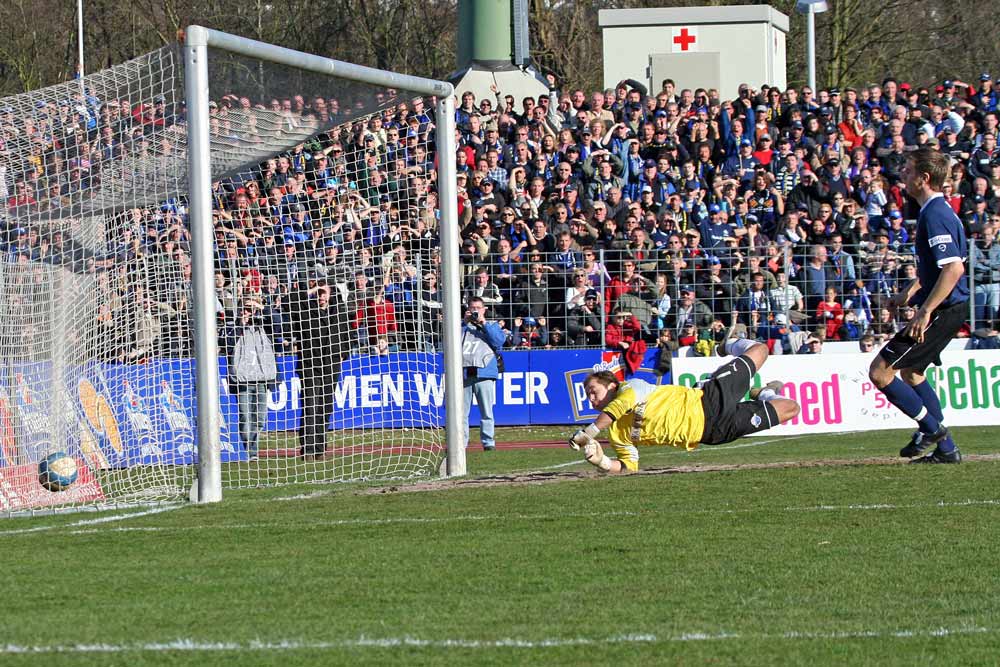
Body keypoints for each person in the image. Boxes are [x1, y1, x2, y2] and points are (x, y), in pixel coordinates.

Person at [867, 148, 970, 464]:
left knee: (880, 372)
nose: (903, 176)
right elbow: (938, 269)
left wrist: (924, 312)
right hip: (949, 308)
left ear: (924, 178)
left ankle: (930, 429)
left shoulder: (935, 214)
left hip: (945, 310)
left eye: (909, 171)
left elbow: (954, 269)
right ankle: (947, 449)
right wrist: (907, 294)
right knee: (912, 373)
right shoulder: (934, 211)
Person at [568, 337, 800, 473]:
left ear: (610, 386)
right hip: (712, 433)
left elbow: (620, 407)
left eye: (593, 392)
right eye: (588, 396)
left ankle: (728, 344)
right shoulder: (617, 433)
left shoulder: (631, 387)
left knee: (760, 349)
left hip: (708, 400)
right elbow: (630, 465)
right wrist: (603, 462)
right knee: (791, 408)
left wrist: (590, 432)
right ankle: (766, 394)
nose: (591, 400)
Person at [289, 266, 350, 460]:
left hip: (331, 364)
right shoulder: (306, 311)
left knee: (325, 406)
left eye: (324, 293)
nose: (321, 297)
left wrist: (343, 354)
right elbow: (291, 301)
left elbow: (347, 334)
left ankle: (320, 448)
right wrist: (315, 288)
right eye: (319, 293)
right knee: (310, 405)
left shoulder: (338, 311)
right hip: (310, 365)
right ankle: (307, 448)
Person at [225, 299, 278, 460]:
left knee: (260, 418)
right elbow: (227, 343)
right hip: (243, 380)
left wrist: (262, 307)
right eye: (245, 309)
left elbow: (279, 324)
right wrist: (241, 325)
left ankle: (252, 446)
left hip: (262, 379)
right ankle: (249, 450)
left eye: (250, 309)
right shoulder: (233, 327)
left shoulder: (264, 327)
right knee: (245, 416)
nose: (247, 312)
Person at [462, 296, 506, 452]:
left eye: (478, 308)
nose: (475, 311)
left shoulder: (492, 325)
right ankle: (461, 444)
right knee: (461, 413)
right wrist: (464, 322)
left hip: (484, 372)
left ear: (484, 309)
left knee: (486, 411)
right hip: (464, 373)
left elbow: (498, 342)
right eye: (472, 308)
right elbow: (448, 339)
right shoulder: (461, 327)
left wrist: (483, 323)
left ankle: (488, 442)